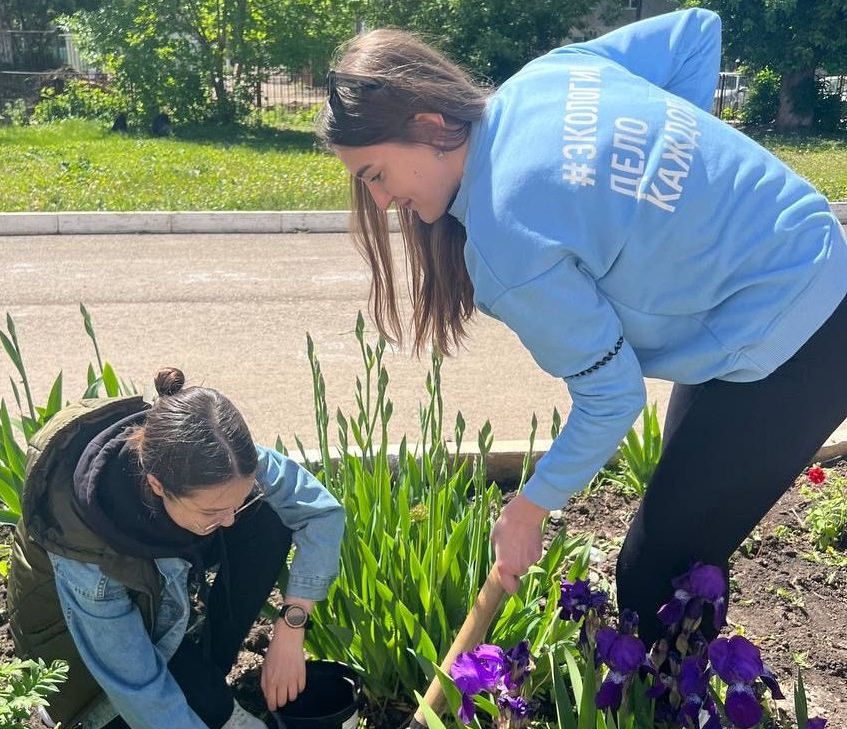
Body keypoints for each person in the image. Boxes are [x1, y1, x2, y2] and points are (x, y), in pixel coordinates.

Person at [319, 9, 847, 644]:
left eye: (376, 175)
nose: (379, 202)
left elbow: (612, 396)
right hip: (787, 267)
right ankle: (693, 718)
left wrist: (529, 507)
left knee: (655, 568)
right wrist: (673, 205)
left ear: (431, 127)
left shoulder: (506, 242)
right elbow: (693, 34)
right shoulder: (546, 79)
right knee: (684, 537)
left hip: (802, 331)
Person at [7, 368, 345, 729]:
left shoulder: (206, 457)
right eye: (212, 513)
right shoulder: (89, 564)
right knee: (185, 710)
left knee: (266, 517)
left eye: (234, 501)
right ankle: (205, 701)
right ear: (157, 485)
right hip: (77, 648)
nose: (228, 520)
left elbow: (320, 510)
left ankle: (208, 672)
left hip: (162, 583)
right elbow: (139, 687)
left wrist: (291, 626)